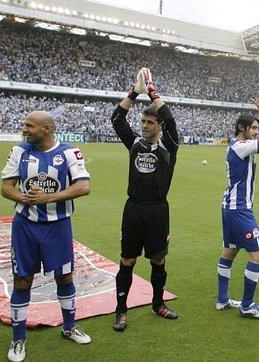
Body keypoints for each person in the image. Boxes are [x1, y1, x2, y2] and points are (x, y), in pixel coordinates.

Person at [1, 111, 91, 362]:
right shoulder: (19, 152)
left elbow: (84, 186)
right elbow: (6, 187)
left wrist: (47, 198)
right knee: (22, 281)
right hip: (25, 226)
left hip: (58, 226)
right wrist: (25, 198)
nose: (25, 129)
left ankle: (69, 327)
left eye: (30, 125)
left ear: (48, 128)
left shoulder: (70, 153)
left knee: (64, 276)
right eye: (24, 124)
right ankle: (18, 339)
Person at [110, 68, 180, 331]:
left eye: (150, 123)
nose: (144, 126)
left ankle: (158, 303)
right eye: (143, 122)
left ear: (159, 126)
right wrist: (134, 92)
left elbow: (171, 121)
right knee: (127, 260)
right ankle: (121, 310)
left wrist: (152, 91)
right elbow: (117, 119)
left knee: (158, 259)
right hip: (134, 209)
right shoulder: (135, 144)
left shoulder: (169, 147)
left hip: (158, 211)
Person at [216, 93, 259, 319]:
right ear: (242, 128)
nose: (256, 132)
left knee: (229, 252)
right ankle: (247, 305)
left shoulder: (238, 144)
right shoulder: (241, 146)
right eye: (253, 128)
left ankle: (222, 299)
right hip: (240, 209)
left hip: (230, 206)